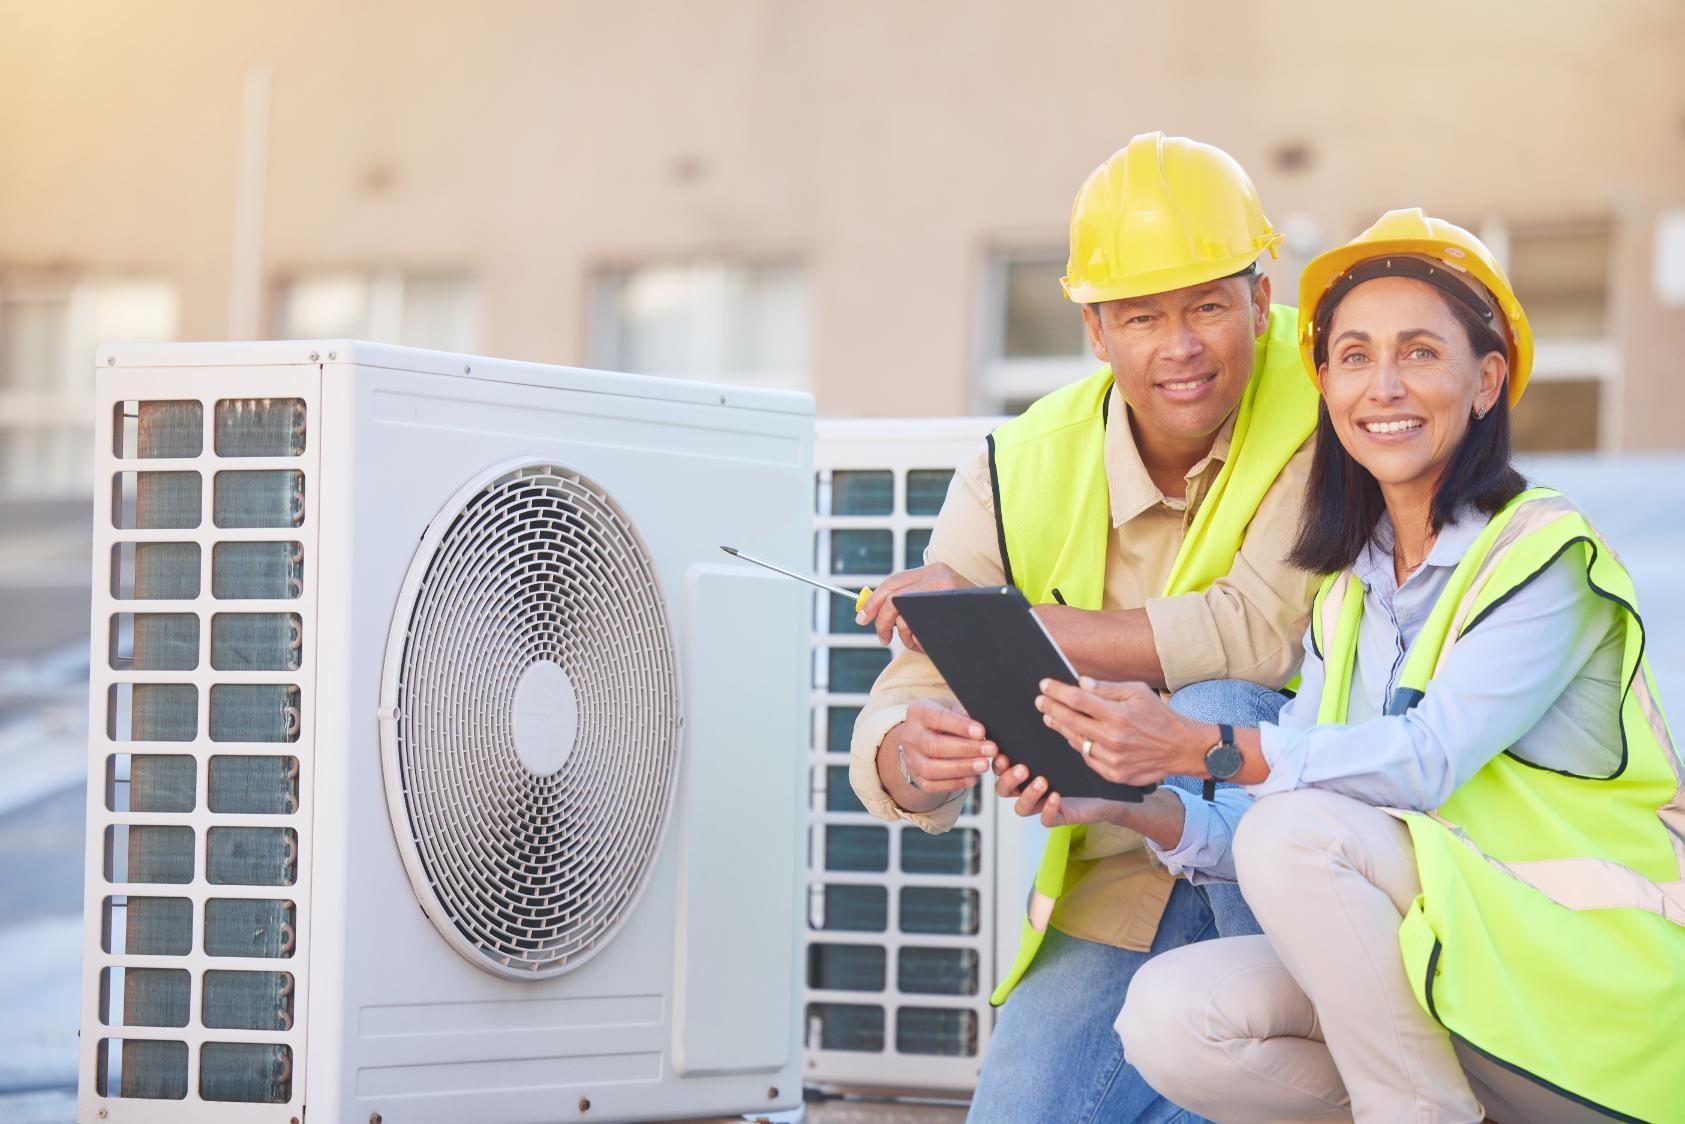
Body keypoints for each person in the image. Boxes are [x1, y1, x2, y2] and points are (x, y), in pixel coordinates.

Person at [1031, 210, 1685, 1122]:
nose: (1383, 386)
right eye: (1352, 356)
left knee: (1293, 830)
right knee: (1176, 1015)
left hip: (1591, 991)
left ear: (1486, 380)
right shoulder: (1348, 593)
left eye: (1419, 352)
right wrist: (1129, 798)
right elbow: (1268, 818)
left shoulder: (1543, 554)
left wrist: (1193, 743)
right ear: (1326, 387)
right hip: (1461, 968)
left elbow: (1424, 760)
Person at [847, 131, 1322, 1122]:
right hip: (1114, 863)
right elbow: (909, 686)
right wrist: (908, 755)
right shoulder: (1016, 467)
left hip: (1290, 863)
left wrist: (1005, 627)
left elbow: (1256, 632)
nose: (1179, 344)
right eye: (1141, 316)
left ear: (1258, 299)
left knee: (1219, 703)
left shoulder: (1325, 411)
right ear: (1095, 334)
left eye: (1205, 304)